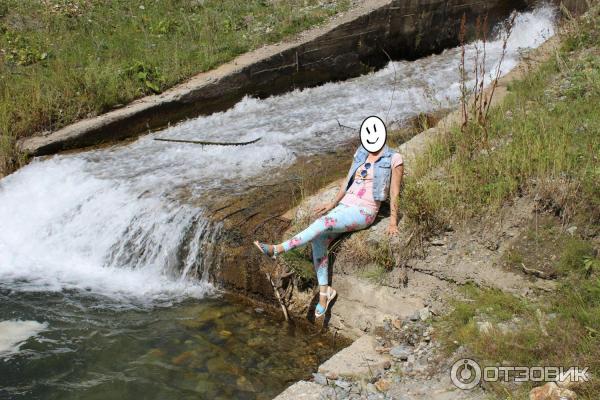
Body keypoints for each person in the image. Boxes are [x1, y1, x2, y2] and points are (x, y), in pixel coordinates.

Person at [254, 116, 404, 317]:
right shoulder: (361, 153)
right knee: (319, 237)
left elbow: (395, 191)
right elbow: (346, 182)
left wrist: (393, 221)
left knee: (323, 223)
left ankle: (278, 249)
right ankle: (325, 293)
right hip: (344, 206)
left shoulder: (394, 159)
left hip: (364, 211)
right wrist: (331, 203)